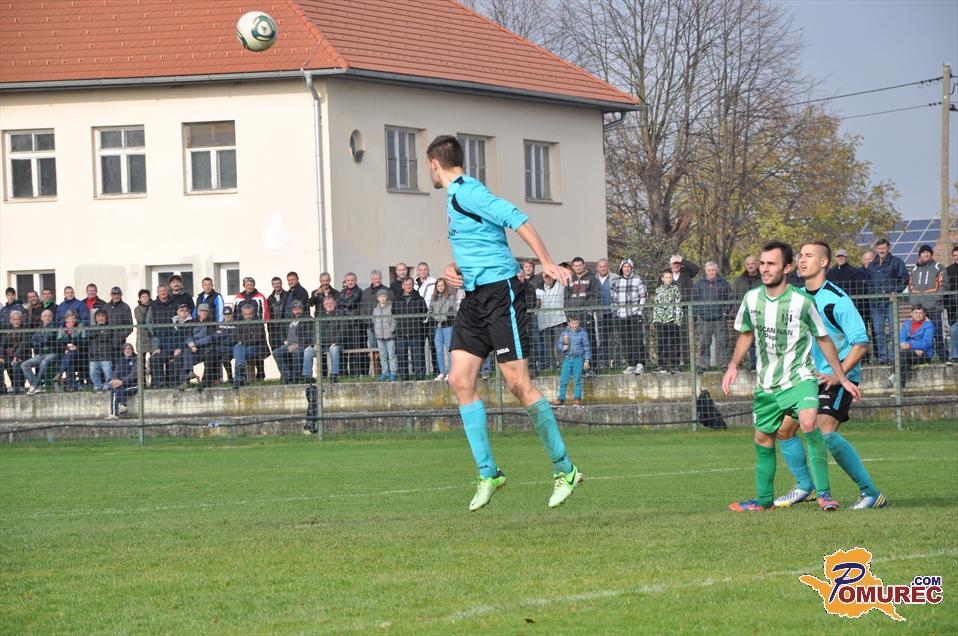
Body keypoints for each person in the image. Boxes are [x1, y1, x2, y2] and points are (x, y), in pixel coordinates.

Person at [427, 134, 581, 511]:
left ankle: (566, 470)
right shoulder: (456, 197)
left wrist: (546, 261)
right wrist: (454, 267)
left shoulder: (468, 192)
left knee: (517, 383)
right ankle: (489, 473)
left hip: (499, 293)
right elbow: (482, 241)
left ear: (434, 164)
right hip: (474, 296)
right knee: (459, 380)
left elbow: (516, 218)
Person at [722, 240, 860, 512]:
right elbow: (746, 333)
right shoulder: (751, 299)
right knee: (763, 439)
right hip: (768, 385)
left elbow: (823, 339)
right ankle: (764, 502)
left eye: (771, 264)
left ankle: (824, 495)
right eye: (762, 263)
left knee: (809, 422)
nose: (764, 269)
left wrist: (842, 377)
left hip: (801, 378)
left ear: (786, 268)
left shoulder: (803, 302)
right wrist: (733, 365)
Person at [773, 241, 886, 510]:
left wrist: (838, 375)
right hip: (807, 380)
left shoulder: (837, 299)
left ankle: (871, 494)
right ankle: (805, 487)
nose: (802, 260)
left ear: (824, 262)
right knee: (784, 431)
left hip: (837, 378)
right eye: (800, 255)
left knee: (824, 432)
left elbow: (860, 343)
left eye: (809, 256)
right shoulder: (797, 297)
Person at [866, 238, 908, 364]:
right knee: (878, 331)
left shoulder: (896, 262)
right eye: (879, 248)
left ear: (888, 248)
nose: (881, 251)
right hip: (875, 302)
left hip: (890, 302)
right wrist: (871, 293)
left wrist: (896, 291)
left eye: (883, 248)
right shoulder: (872, 265)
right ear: (876, 249)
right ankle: (883, 357)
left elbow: (905, 278)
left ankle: (894, 356)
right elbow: (867, 281)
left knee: (894, 330)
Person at [692, 261, 733, 370]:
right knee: (704, 343)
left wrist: (725, 311)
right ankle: (703, 365)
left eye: (713, 270)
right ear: (705, 271)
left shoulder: (723, 282)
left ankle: (725, 364)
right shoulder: (699, 284)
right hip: (704, 319)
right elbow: (693, 300)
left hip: (719, 318)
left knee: (724, 342)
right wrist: (698, 314)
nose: (711, 272)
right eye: (709, 270)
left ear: (716, 270)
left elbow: (730, 297)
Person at [909, 244, 945, 360]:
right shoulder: (914, 269)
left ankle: (943, 357)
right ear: (920, 255)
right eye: (923, 252)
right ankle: (925, 358)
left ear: (931, 254)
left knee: (937, 333)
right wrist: (915, 303)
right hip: (919, 309)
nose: (926, 254)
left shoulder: (939, 267)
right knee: (920, 334)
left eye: (928, 252)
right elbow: (910, 287)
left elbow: (943, 285)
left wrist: (935, 299)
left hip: (934, 307)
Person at [611, 258, 647, 374]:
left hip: (634, 314)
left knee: (637, 340)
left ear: (632, 268)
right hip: (621, 316)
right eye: (624, 267)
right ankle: (631, 364)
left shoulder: (638, 280)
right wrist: (615, 312)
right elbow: (613, 298)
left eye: (628, 267)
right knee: (625, 341)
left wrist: (639, 312)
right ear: (621, 268)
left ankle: (640, 364)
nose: (626, 269)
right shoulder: (616, 281)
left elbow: (643, 297)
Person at [551, 314, 591, 407]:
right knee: (563, 379)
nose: (574, 325)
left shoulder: (583, 333)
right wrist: (563, 348)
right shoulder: (565, 333)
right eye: (572, 323)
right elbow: (559, 345)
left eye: (576, 323)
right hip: (567, 358)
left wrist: (587, 360)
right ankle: (561, 398)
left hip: (578, 359)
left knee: (577, 379)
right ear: (569, 323)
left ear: (579, 322)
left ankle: (577, 398)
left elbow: (586, 347)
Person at [892, 304, 935, 390]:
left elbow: (926, 343)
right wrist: (914, 348)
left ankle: (894, 377)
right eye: (915, 312)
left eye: (920, 313)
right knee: (903, 358)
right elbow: (902, 339)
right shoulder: (907, 323)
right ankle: (900, 387)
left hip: (923, 354)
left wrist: (910, 345)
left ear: (924, 314)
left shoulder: (929, 326)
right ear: (911, 313)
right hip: (910, 353)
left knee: (902, 355)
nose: (918, 315)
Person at [393, 277, 427, 381]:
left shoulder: (419, 298)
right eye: (406, 284)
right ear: (402, 286)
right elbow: (393, 312)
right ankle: (404, 377)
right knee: (401, 356)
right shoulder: (396, 299)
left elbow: (425, 313)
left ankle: (420, 377)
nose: (408, 286)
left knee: (418, 356)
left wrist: (416, 322)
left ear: (413, 285)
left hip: (416, 332)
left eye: (410, 284)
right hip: (401, 332)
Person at [273, 299, 314, 383]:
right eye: (295, 309)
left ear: (302, 309)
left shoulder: (308, 319)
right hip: (288, 345)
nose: (297, 311)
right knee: (276, 352)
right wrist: (284, 340)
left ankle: (296, 378)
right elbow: (281, 331)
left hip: (302, 345)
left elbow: (309, 335)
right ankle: (287, 377)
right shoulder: (288, 319)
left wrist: (297, 344)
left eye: (299, 309)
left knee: (297, 352)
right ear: (292, 310)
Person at [652, 269, 682, 373]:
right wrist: (655, 320)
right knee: (661, 343)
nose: (668, 279)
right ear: (662, 278)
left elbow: (678, 305)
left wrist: (677, 321)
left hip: (672, 320)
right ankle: (662, 365)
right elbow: (655, 306)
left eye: (670, 277)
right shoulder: (658, 290)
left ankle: (674, 365)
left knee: (673, 344)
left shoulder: (675, 289)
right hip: (660, 321)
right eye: (666, 277)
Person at [21, 309, 58, 394]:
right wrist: (42, 342)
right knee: (24, 365)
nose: (47, 318)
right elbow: (34, 341)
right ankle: (35, 385)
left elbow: (49, 339)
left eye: (49, 316)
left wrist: (41, 341)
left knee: (44, 363)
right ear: (41, 318)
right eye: (45, 316)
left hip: (52, 353)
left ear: (52, 317)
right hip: (41, 353)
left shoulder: (55, 327)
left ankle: (34, 386)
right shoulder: (39, 328)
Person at [233, 303, 268, 388]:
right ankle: (240, 370)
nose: (248, 316)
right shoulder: (239, 322)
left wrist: (244, 340)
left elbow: (258, 337)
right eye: (246, 314)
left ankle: (238, 379)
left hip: (255, 348)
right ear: (242, 314)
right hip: (244, 348)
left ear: (253, 313)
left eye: (250, 314)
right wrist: (250, 337)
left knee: (239, 353)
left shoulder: (258, 321)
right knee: (238, 348)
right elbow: (236, 336)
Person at [535, 272, 566, 370]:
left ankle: (562, 364)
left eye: (550, 276)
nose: (548, 278)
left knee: (560, 344)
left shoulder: (560, 285)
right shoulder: (537, 290)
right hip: (544, 322)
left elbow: (564, 275)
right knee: (547, 345)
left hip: (558, 320)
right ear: (543, 277)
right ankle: (551, 366)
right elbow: (535, 305)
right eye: (546, 276)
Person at [87, 309, 122, 391]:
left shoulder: (109, 328)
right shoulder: (91, 328)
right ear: (95, 318)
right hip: (94, 355)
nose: (101, 318)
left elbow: (106, 336)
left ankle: (107, 386)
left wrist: (96, 334)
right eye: (98, 316)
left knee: (108, 373)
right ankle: (97, 385)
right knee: (93, 373)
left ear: (106, 318)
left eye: (103, 316)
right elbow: (89, 335)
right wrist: (100, 332)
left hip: (106, 355)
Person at [430, 278, 457, 381]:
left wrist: (444, 317)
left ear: (445, 286)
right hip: (438, 327)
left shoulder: (451, 297)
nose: (440, 287)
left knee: (449, 350)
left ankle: (450, 372)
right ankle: (442, 372)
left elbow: (453, 311)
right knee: (439, 350)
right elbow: (430, 310)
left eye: (442, 285)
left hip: (448, 326)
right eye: (438, 286)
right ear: (436, 287)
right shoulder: (433, 298)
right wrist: (435, 317)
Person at [53, 310, 86, 391]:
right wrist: (66, 348)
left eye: (74, 318)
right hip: (65, 353)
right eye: (70, 318)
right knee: (69, 361)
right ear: (66, 319)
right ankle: (70, 387)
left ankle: (60, 374)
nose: (72, 320)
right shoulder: (61, 328)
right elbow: (58, 343)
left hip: (79, 352)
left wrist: (76, 346)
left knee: (70, 354)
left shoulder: (80, 326)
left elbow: (85, 341)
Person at [106, 343, 138, 419]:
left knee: (116, 390)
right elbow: (116, 372)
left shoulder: (136, 360)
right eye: (126, 349)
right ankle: (122, 406)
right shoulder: (120, 360)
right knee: (114, 388)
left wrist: (122, 381)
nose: (127, 350)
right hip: (121, 385)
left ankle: (115, 413)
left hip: (133, 386)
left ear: (132, 350)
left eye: (129, 348)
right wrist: (114, 380)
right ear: (123, 351)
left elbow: (134, 374)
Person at [372, 289, 398, 381]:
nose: (382, 298)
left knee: (391, 355)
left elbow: (394, 320)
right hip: (379, 337)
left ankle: (393, 372)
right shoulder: (375, 310)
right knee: (382, 356)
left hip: (390, 336)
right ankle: (385, 373)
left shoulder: (391, 307)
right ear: (377, 298)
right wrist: (376, 331)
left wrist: (392, 330)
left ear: (387, 297)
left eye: (384, 296)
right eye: (380, 297)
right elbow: (374, 321)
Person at [0, 310, 28, 394]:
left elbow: (24, 344)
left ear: (21, 320)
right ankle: (2, 389)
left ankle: (17, 390)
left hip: (21, 355)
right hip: (8, 356)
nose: (16, 321)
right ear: (10, 320)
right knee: (0, 364)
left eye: (18, 319)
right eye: (14, 319)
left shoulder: (25, 329)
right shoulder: (7, 330)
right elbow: (2, 344)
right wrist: (1, 356)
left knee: (15, 364)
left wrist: (16, 356)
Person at [266, 276, 288, 353]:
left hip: (285, 328)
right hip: (273, 329)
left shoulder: (287, 295)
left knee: (287, 351)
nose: (276, 285)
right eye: (274, 284)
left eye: (278, 283)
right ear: (272, 285)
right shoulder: (269, 298)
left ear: (281, 284)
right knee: (275, 351)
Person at [946, 245, 958, 365]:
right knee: (954, 330)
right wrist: (948, 304)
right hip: (953, 307)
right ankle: (955, 355)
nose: (957, 257)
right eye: (955, 255)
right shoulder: (948, 270)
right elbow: (946, 288)